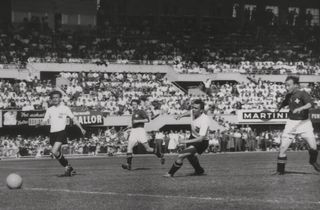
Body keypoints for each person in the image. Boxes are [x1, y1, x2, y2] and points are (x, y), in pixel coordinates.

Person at [275, 76, 320, 175]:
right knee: (283, 148)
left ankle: (313, 161)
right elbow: (284, 102)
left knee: (314, 147)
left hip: (304, 123)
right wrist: (279, 108)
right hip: (291, 123)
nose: (287, 87)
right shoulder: (289, 95)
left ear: (295, 85)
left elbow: (310, 104)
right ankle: (280, 171)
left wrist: (301, 108)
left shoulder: (303, 93)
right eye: (286, 85)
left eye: (289, 85)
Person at [40, 90, 86, 176]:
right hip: (52, 133)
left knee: (54, 151)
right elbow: (44, 120)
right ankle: (69, 167)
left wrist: (81, 128)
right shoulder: (49, 110)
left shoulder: (65, 108)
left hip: (61, 132)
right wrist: (41, 123)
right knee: (55, 152)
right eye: (53, 98)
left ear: (60, 98)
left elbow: (74, 118)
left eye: (57, 97)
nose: (55, 99)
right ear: (51, 99)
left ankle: (67, 168)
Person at [164, 99, 210, 177]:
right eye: (193, 107)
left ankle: (170, 173)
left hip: (201, 142)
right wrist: (181, 116)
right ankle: (199, 170)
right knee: (190, 156)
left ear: (201, 110)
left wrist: (184, 141)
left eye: (196, 108)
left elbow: (201, 139)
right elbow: (190, 112)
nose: (193, 110)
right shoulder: (193, 112)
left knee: (181, 155)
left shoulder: (204, 120)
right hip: (193, 137)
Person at [121, 99, 165, 170]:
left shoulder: (141, 111)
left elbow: (147, 120)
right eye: (132, 105)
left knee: (148, 149)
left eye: (134, 104)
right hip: (134, 131)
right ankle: (128, 164)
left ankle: (160, 155)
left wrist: (138, 121)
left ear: (137, 105)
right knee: (129, 148)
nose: (133, 106)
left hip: (140, 131)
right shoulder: (133, 113)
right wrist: (130, 126)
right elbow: (134, 123)